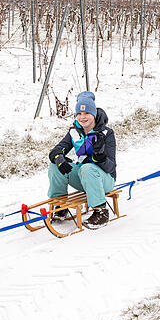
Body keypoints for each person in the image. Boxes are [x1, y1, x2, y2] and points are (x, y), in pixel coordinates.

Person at [48, 91, 117, 227]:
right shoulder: (74, 132)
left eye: (87, 113)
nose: (82, 117)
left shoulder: (106, 133)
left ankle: (101, 212)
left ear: (94, 114)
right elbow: (56, 150)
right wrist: (59, 158)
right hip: (83, 177)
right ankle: (60, 207)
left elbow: (111, 168)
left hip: (105, 180)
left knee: (87, 168)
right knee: (55, 166)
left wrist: (100, 158)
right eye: (79, 113)